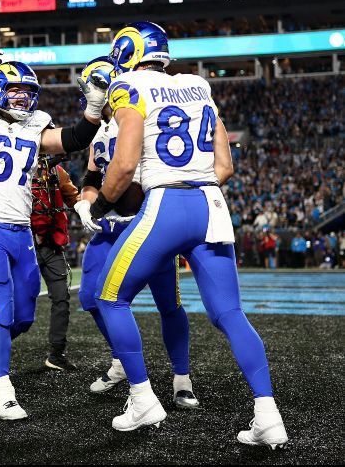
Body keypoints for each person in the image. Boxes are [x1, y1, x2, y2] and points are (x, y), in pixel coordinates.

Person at [86, 22, 287, 447]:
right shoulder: (197, 85)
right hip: (212, 205)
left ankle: (143, 399)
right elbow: (225, 165)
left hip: (167, 204)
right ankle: (268, 413)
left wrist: (99, 205)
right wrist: (194, 184)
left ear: (124, 52)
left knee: (110, 298)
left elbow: (123, 166)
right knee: (231, 315)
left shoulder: (127, 84)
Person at [0, 47, 107, 419]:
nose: (23, 96)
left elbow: (74, 139)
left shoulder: (33, 125)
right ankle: (1, 388)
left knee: (24, 316)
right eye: (15, 89)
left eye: (28, 90)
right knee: (1, 310)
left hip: (21, 228)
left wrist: (93, 108)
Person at [75, 58, 198, 408]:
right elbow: (92, 176)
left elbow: (131, 181)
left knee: (168, 304)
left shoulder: (138, 117)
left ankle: (182, 379)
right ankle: (121, 360)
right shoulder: (99, 129)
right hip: (109, 228)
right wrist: (86, 201)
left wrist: (100, 203)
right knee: (89, 297)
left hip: (145, 224)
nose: (91, 97)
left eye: (95, 89)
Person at [29, 154, 79, 371]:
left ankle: (57, 354)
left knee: (61, 298)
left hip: (50, 245)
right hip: (25, 245)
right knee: (18, 305)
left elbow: (74, 199)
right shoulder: (18, 168)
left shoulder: (57, 172)